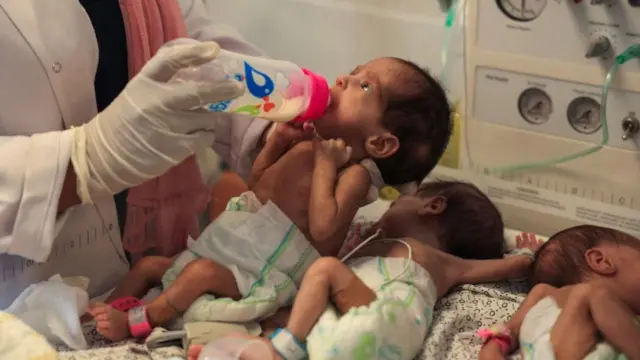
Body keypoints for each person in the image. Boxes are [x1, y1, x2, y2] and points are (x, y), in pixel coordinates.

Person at [88, 57, 454, 341]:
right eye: (352, 72)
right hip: (236, 245)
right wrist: (278, 142)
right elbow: (257, 186)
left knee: (198, 275)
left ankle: (136, 323)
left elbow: (325, 229)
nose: (342, 80)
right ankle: (97, 316)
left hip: (263, 272)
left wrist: (327, 166)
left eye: (364, 86)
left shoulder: (354, 174)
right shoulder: (310, 143)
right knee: (149, 266)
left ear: (380, 143)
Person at [0, 0, 275, 309]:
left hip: (139, 282)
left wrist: (271, 121)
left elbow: (195, 46)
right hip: (21, 297)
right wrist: (84, 162)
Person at [186, 181, 541, 360]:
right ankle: (246, 348)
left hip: (382, 320)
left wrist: (526, 249)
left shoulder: (439, 262)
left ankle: (280, 348)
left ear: (432, 206)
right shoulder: (374, 246)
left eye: (401, 199)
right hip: (369, 338)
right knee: (278, 319)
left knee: (322, 272)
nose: (389, 206)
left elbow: (515, 266)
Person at [477, 225, 640, 360]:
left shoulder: (542, 294)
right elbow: (509, 330)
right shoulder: (585, 294)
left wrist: (492, 349)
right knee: (591, 293)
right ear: (600, 261)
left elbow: (507, 332)